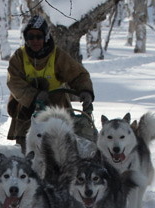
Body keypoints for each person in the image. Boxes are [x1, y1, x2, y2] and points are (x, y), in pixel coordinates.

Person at [6, 15, 94, 152]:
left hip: (56, 105)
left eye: (38, 36)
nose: (35, 40)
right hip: (27, 107)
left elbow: (78, 74)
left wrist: (85, 91)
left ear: (45, 37)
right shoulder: (19, 57)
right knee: (25, 149)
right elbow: (14, 82)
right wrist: (34, 96)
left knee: (60, 146)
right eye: (30, 37)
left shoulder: (57, 56)